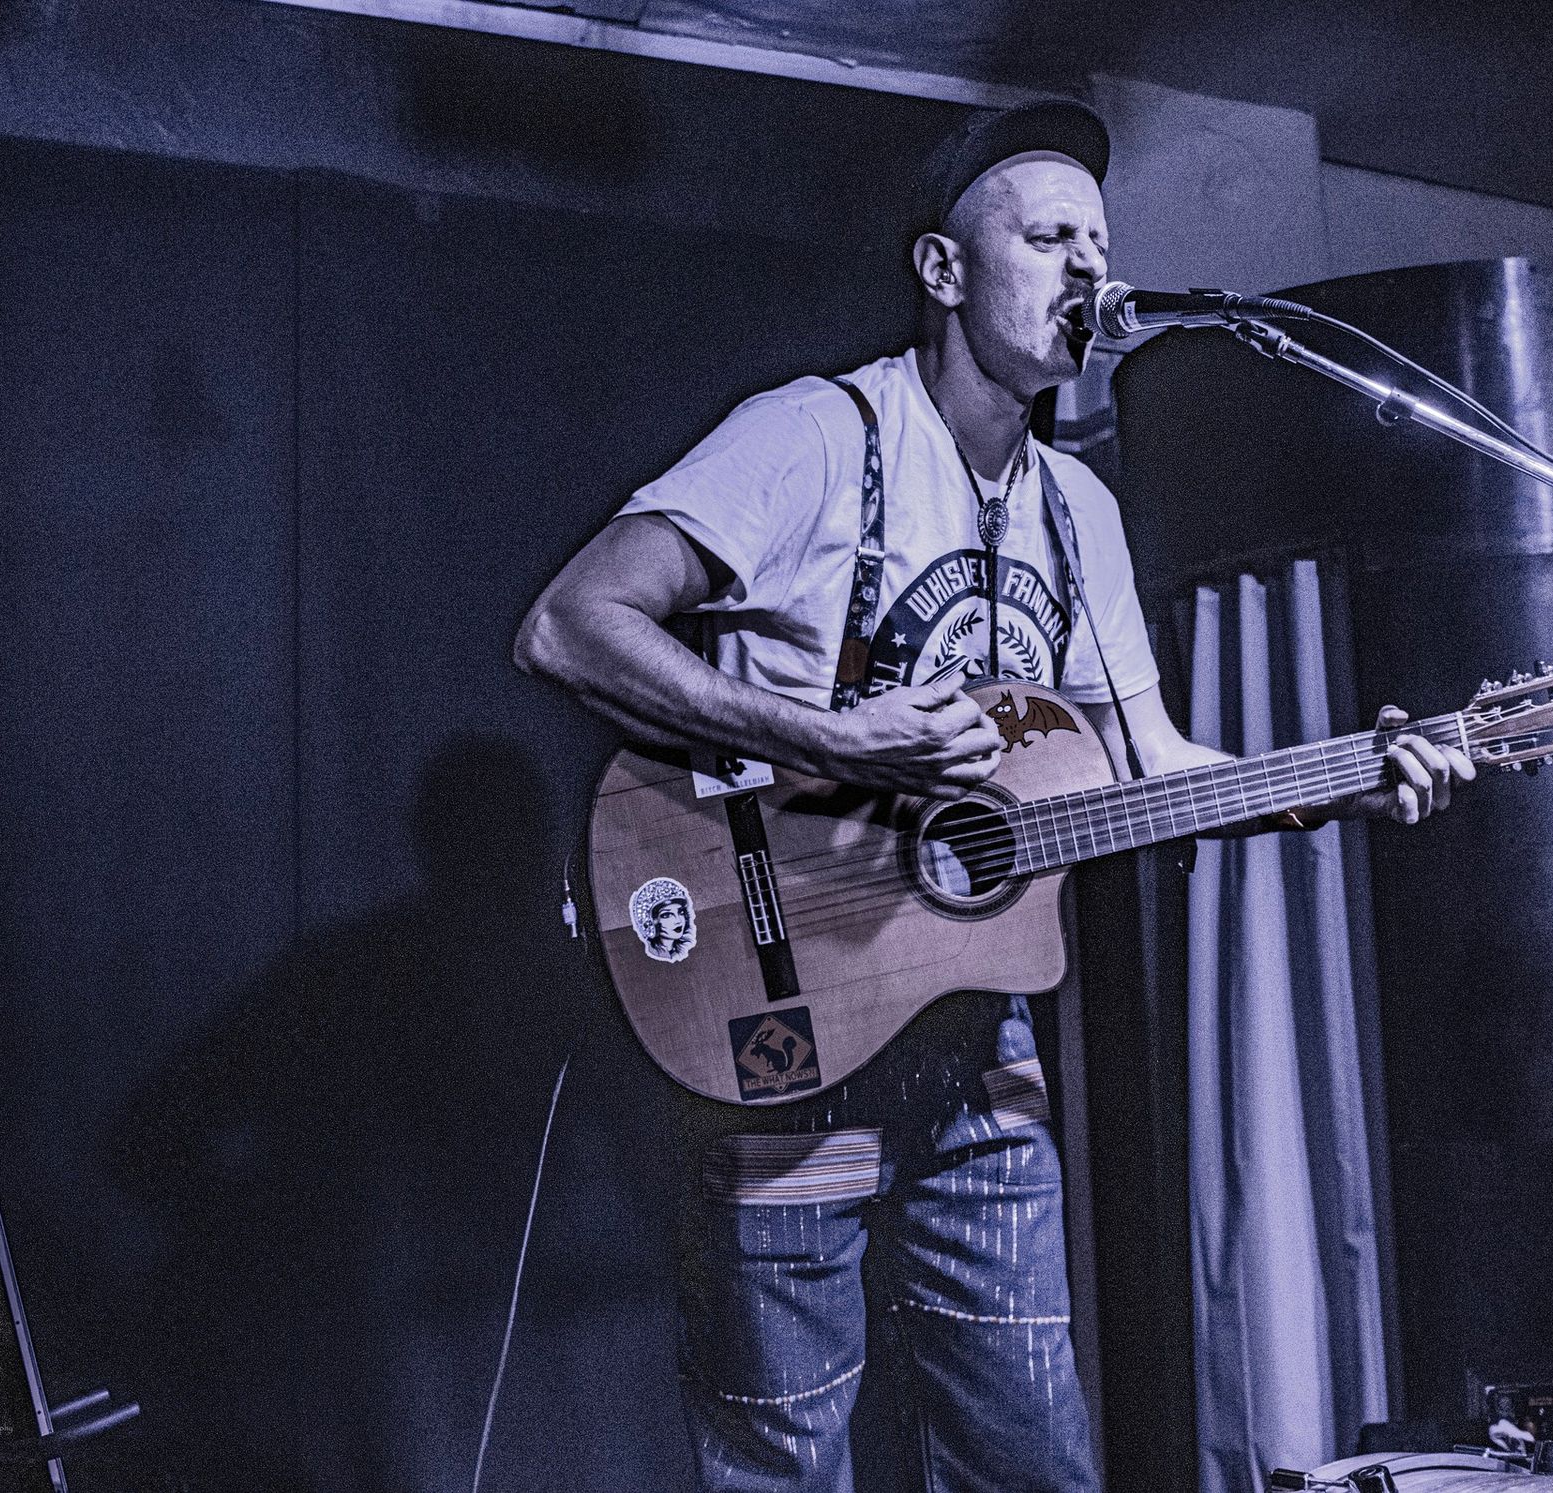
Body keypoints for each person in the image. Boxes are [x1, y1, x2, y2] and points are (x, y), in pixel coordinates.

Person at [515, 99, 1473, 1492]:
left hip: (979, 1058)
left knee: (1032, 1462)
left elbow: (1152, 770)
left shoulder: (1078, 509)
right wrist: (838, 743)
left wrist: (1347, 774)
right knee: (781, 1462)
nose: (1089, 267)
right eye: (1048, 237)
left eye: (1100, 239)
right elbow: (571, 624)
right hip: (783, 1025)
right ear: (945, 271)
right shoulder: (815, 438)